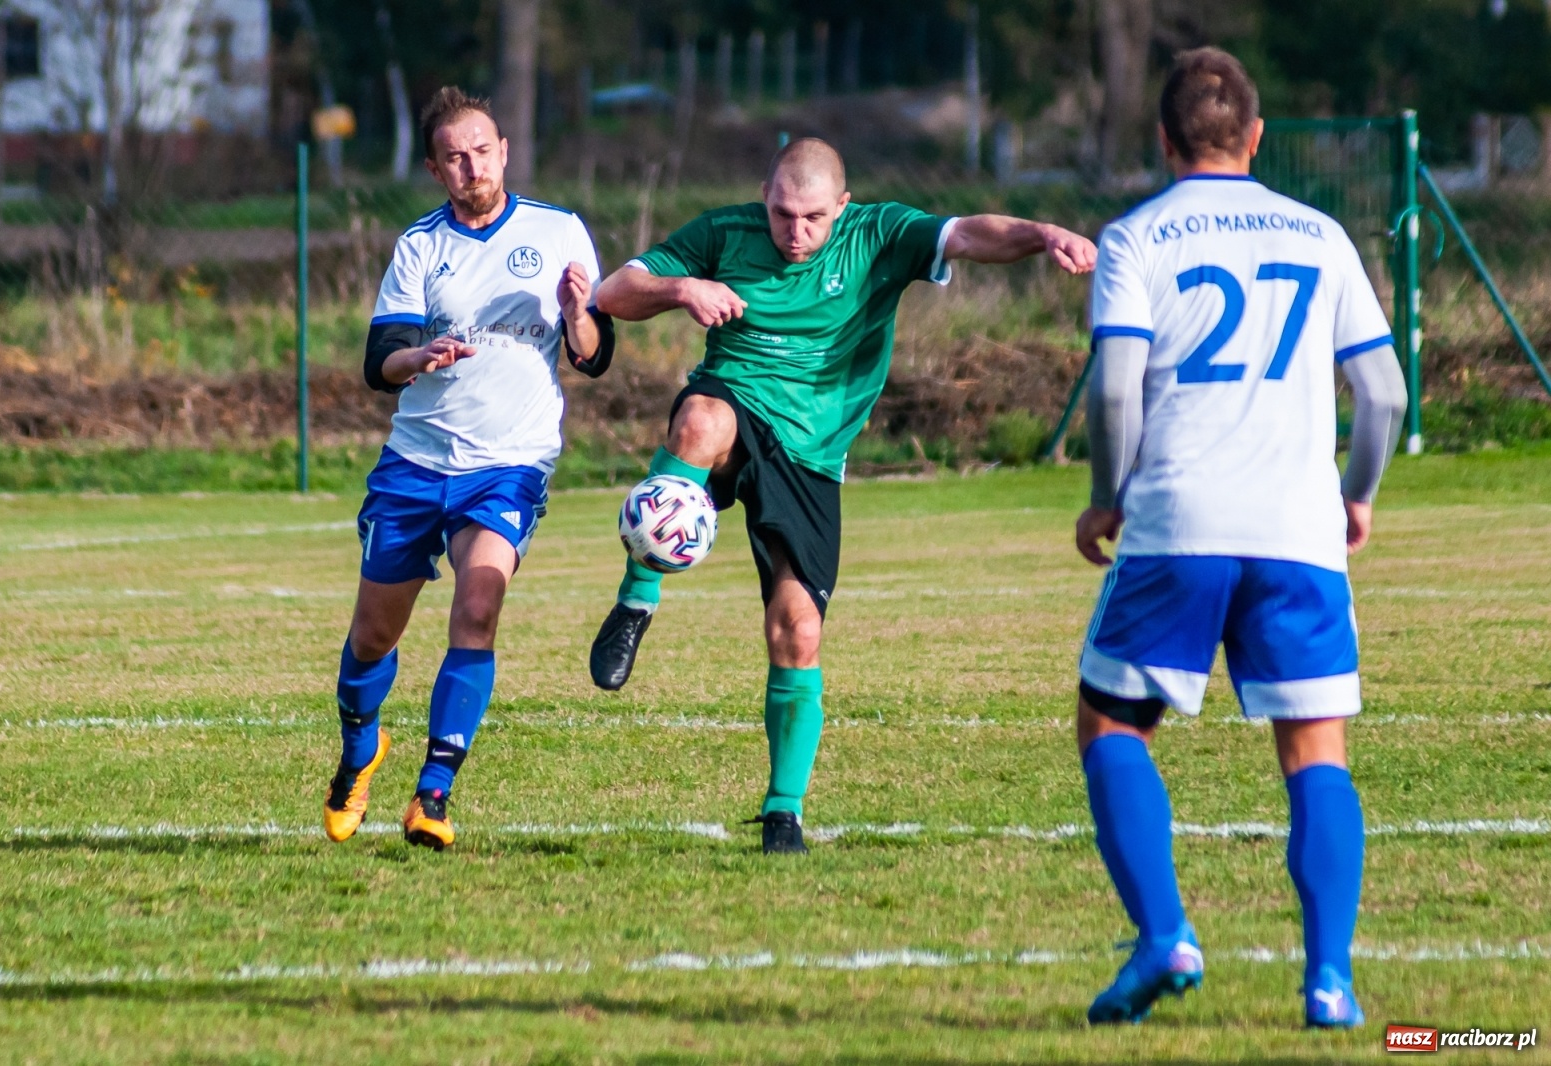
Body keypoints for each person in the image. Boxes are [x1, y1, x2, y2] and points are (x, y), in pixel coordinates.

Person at [588, 138, 1097, 854]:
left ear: (843, 208)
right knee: (701, 420)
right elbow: (611, 293)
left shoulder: (877, 235)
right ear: (763, 195)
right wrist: (682, 288)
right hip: (736, 401)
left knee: (797, 632)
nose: (794, 233)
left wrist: (1042, 234)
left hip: (812, 458)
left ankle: (782, 811)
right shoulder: (723, 232)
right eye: (781, 214)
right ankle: (638, 599)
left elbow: (969, 234)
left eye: (812, 219)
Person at [1071, 48, 1407, 1027]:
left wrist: (1106, 494)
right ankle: (1329, 982)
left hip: (1180, 518)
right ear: (1255, 138)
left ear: (1164, 139)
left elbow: (1112, 383)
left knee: (1111, 723)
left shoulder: (1136, 237)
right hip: (1297, 529)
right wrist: (1355, 493)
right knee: (1315, 750)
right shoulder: (1320, 233)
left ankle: (1165, 932)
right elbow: (1382, 391)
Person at [321, 86, 614, 851]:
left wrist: (580, 314)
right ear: (433, 167)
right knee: (374, 636)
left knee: (479, 605)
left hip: (509, 464)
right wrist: (417, 356)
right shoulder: (421, 246)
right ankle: (360, 750)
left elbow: (595, 357)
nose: (470, 166)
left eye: (481, 150)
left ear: (505, 151)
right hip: (417, 463)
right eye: (453, 156)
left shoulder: (560, 234)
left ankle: (434, 793)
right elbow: (377, 363)